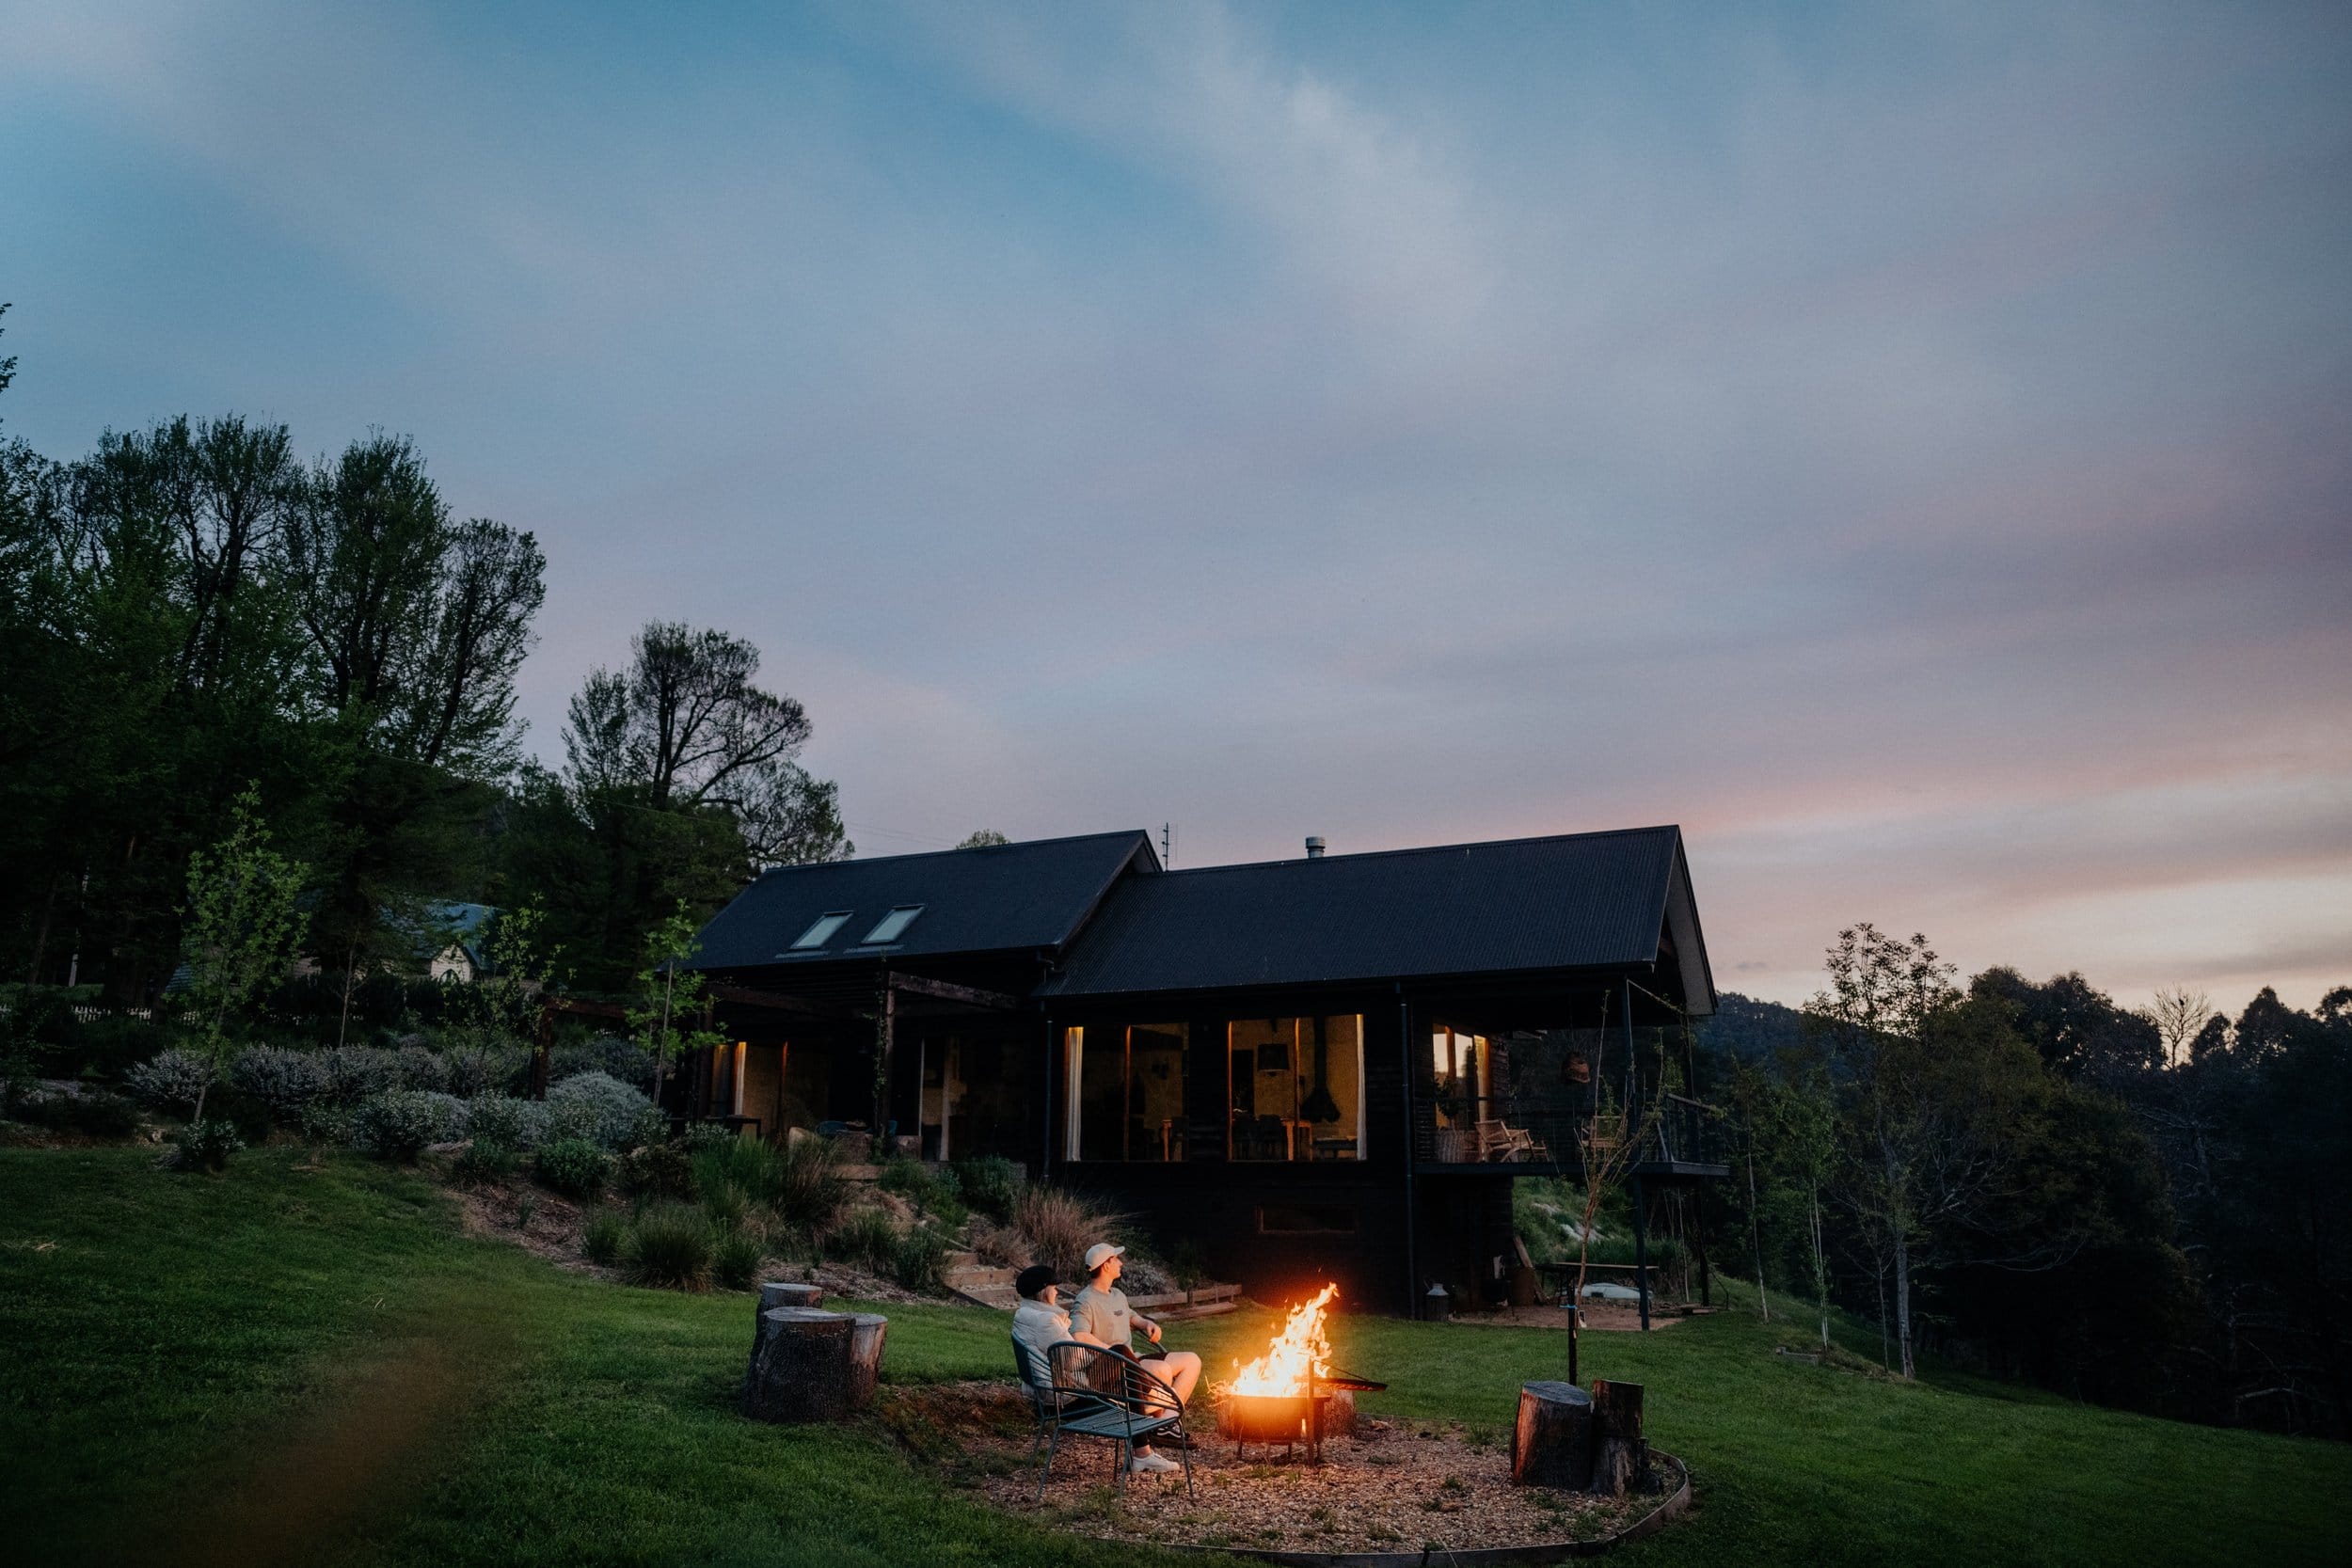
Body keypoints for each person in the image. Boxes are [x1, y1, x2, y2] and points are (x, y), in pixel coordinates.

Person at [1010, 1261, 1181, 1475]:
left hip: (1049, 1388)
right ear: (1044, 1291)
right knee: (1120, 1353)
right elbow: (1074, 1360)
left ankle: (1142, 1449)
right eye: (1054, 1288)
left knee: (1126, 1375)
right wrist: (1097, 1354)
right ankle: (1146, 1422)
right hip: (1066, 1396)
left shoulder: (1024, 1314)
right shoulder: (1046, 1321)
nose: (1056, 1292)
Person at [1070, 1243, 1202, 1428]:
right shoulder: (1085, 1300)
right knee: (1162, 1369)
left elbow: (1131, 1316)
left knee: (1192, 1360)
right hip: (1111, 1369)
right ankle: (1157, 1424)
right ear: (1106, 1266)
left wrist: (1147, 1324)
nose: (1121, 1263)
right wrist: (1116, 1353)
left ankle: (1167, 1421)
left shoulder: (1117, 1294)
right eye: (1116, 1259)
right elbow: (1079, 1335)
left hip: (1134, 1359)